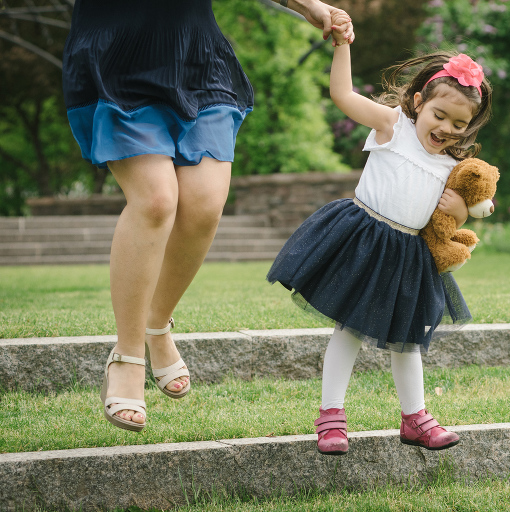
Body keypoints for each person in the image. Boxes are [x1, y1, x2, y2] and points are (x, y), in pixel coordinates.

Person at [62, 0, 354, 432]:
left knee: (204, 204)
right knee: (157, 199)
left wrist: (307, 4)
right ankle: (126, 355)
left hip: (195, 55)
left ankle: (157, 324)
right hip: (117, 52)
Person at [267, 25, 493, 455]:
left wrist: (461, 211)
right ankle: (331, 418)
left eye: (459, 124)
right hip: (365, 240)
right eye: (439, 116)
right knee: (349, 330)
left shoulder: (451, 165)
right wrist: (341, 46)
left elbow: (471, 207)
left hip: (409, 255)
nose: (446, 128)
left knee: (407, 340)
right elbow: (343, 96)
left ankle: (416, 418)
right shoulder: (394, 126)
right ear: (419, 103)